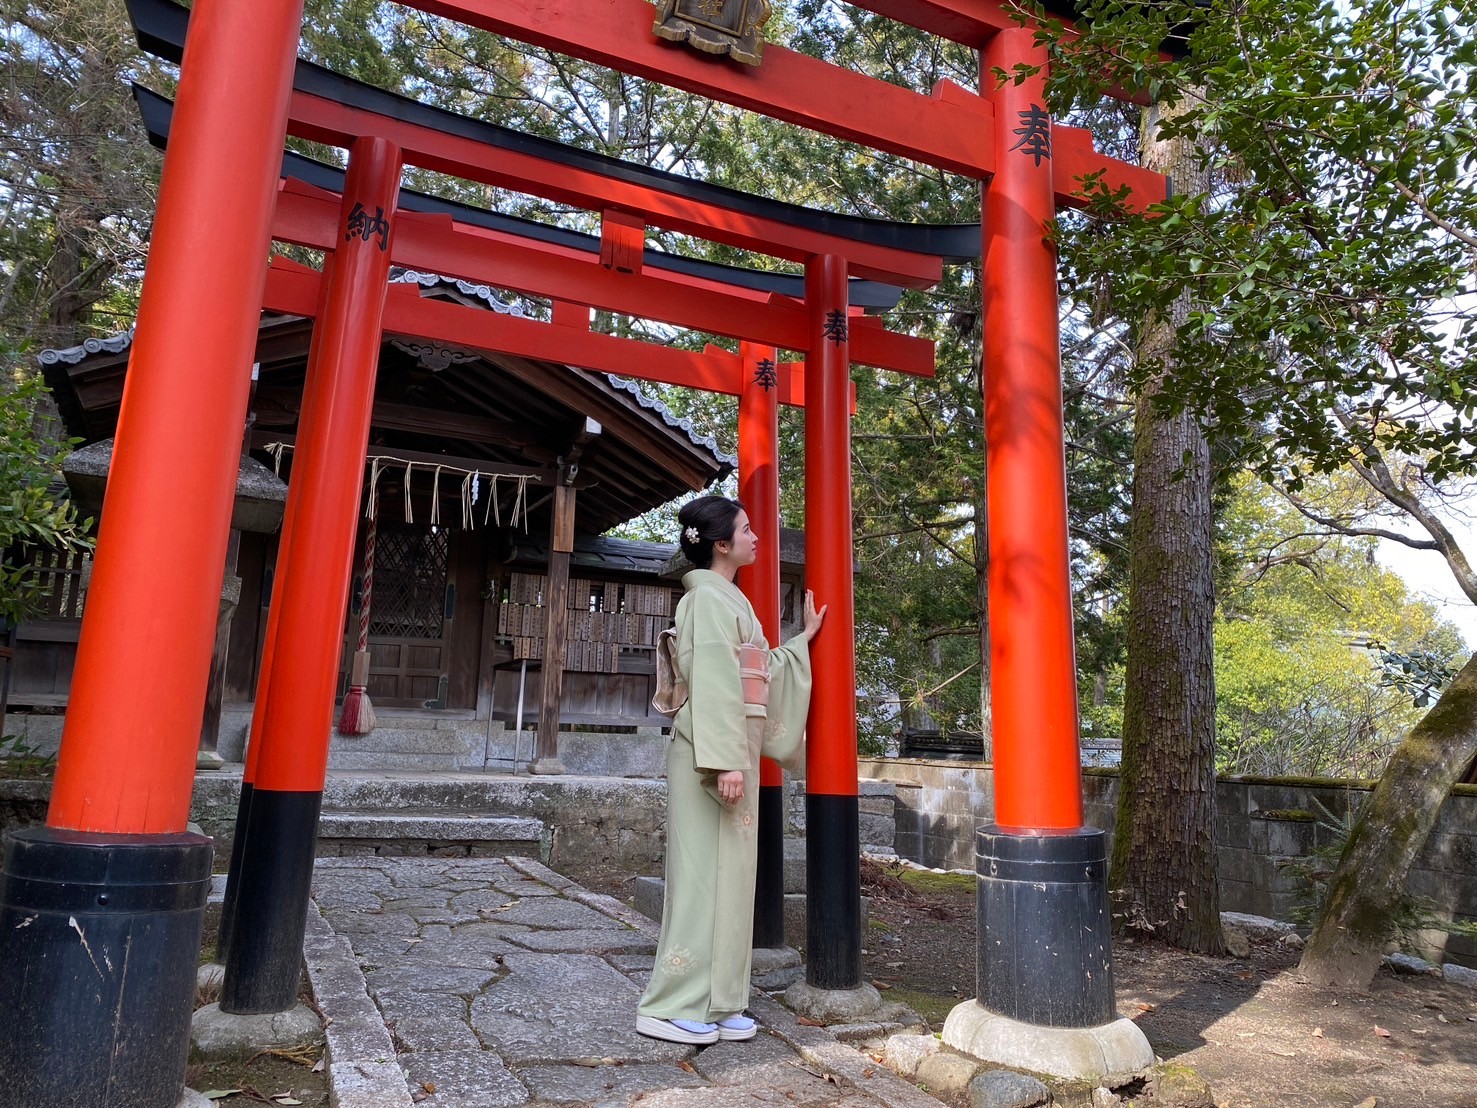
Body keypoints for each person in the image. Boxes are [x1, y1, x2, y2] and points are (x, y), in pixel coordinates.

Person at [635, 495, 826, 1046]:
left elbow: (756, 670)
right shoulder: (706, 603)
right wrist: (723, 762)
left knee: (732, 880)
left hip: (729, 753)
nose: (756, 537)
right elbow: (716, 680)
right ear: (721, 544)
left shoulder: (730, 600)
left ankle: (719, 1000)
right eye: (747, 529)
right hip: (710, 755)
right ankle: (669, 1003)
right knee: (700, 879)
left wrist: (800, 644)